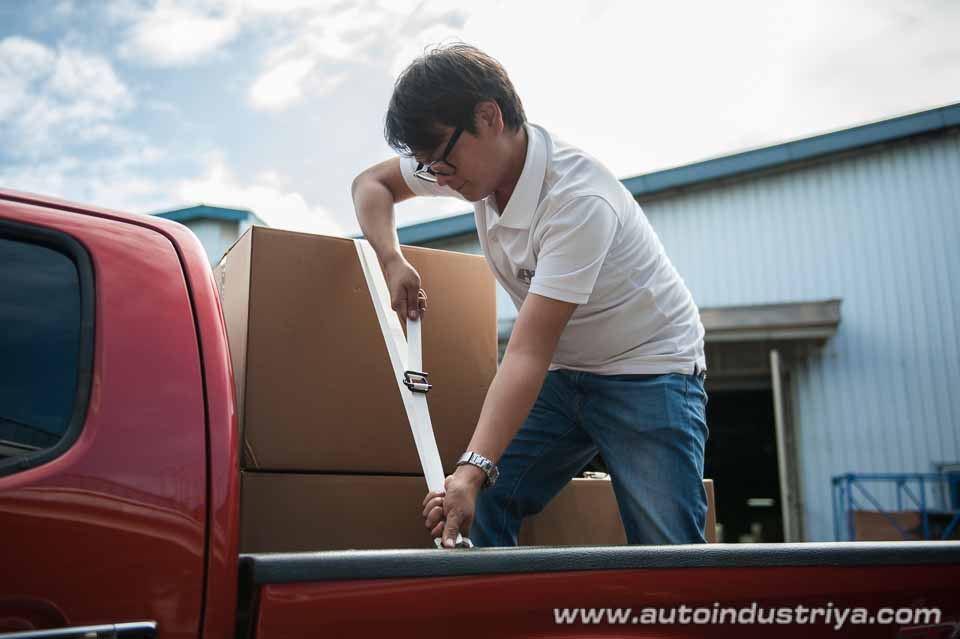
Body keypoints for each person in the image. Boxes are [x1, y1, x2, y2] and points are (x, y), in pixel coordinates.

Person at [351, 43, 709, 549]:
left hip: (647, 371)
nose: (441, 181)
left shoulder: (577, 198)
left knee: (666, 548)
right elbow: (370, 184)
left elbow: (526, 350)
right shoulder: (468, 167)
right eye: (429, 169)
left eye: (443, 163)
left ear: (489, 117)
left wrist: (471, 470)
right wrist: (391, 259)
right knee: (479, 506)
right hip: (565, 373)